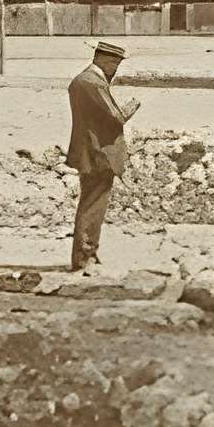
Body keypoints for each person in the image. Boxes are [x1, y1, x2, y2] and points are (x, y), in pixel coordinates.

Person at [63, 40, 138, 271]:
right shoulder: (94, 84)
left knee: (89, 202)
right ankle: (84, 257)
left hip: (88, 151)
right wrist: (133, 105)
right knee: (93, 205)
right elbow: (117, 116)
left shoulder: (80, 80)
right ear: (106, 61)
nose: (114, 72)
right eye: (114, 66)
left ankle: (87, 255)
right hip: (99, 153)